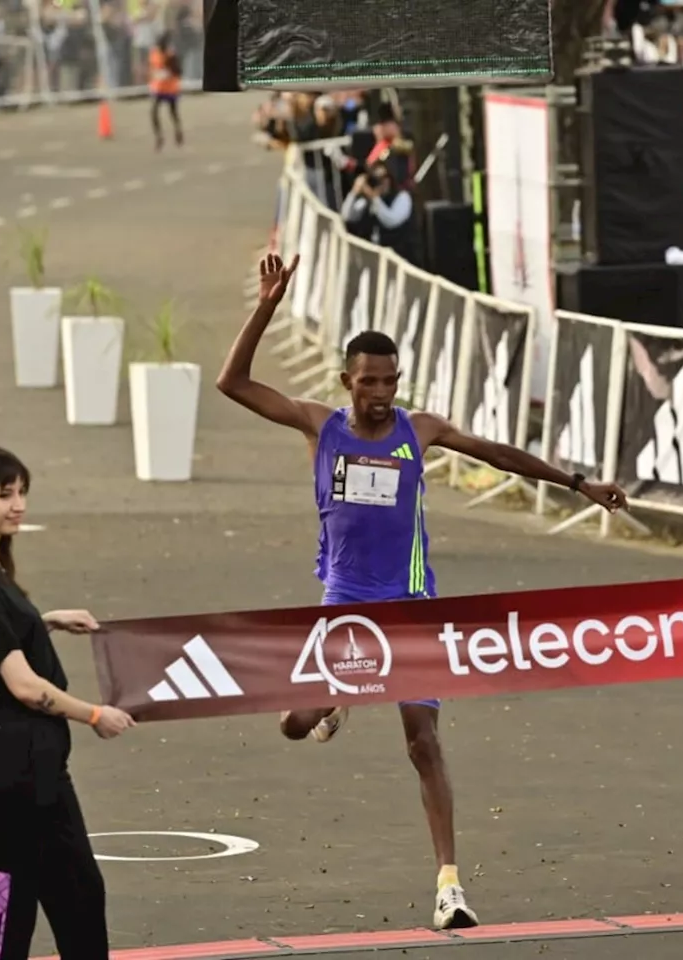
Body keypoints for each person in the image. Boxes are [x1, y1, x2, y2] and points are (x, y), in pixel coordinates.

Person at [215, 255, 629, 932]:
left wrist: (578, 484)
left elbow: (498, 453)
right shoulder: (321, 426)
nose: (379, 391)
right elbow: (232, 382)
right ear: (346, 380)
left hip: (411, 604)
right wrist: (266, 303)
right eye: (367, 381)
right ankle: (335, 700)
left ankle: (449, 886)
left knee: (423, 742)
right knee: (294, 724)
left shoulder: (421, 430)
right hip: (345, 600)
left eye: (389, 380)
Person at [0, 445, 135, 960]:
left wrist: (44, 621)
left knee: (74, 893)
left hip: (32, 759)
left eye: (22, 492)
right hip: (13, 760)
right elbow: (24, 686)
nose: (18, 504)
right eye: (5, 495)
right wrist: (94, 713)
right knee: (14, 893)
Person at [149, 32, 183, 151]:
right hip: (159, 88)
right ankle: (159, 136)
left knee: (173, 112)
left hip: (170, 88)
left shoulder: (171, 56)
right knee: (154, 112)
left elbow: (178, 71)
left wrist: (169, 71)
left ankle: (178, 131)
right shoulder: (154, 54)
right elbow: (153, 68)